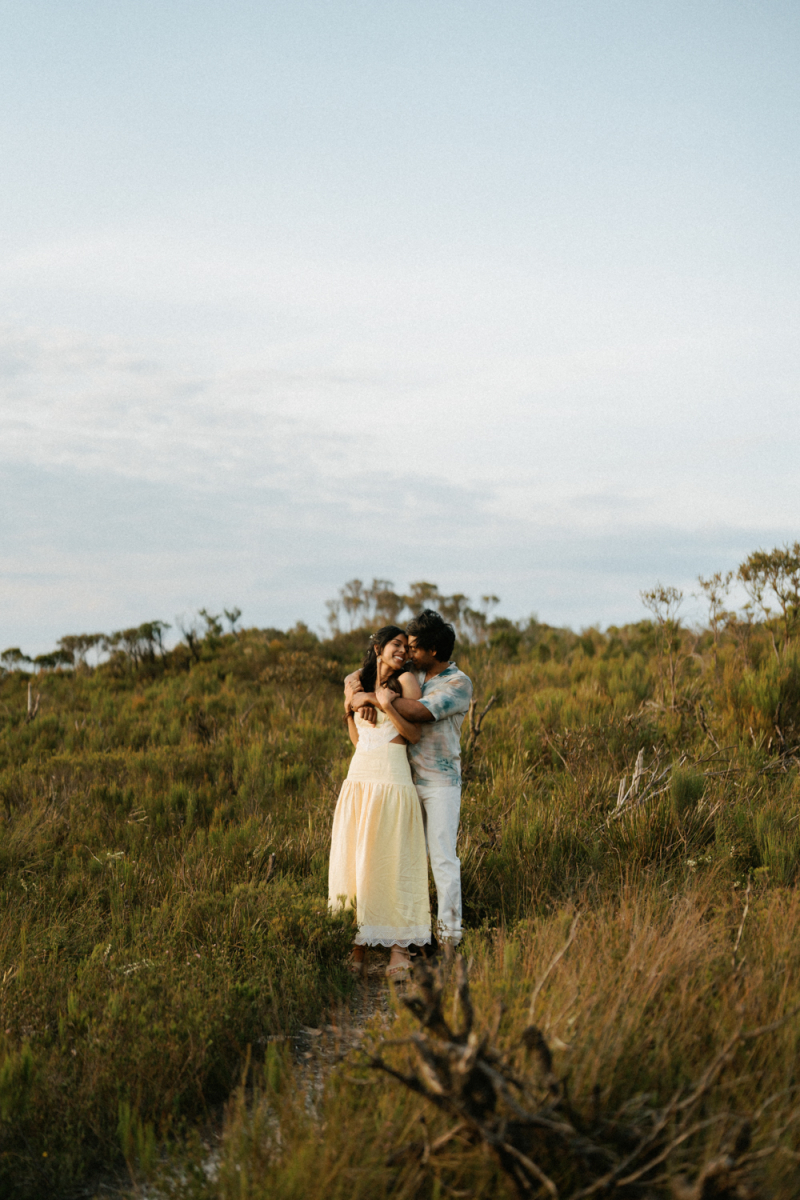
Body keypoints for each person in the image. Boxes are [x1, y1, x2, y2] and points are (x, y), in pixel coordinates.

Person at [346, 609, 473, 949]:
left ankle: (449, 938)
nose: (408, 652)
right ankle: (409, 934)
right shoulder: (413, 672)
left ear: (432, 651)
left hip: (440, 785)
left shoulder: (458, 684)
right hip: (402, 780)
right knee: (403, 859)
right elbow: (360, 674)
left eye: (414, 646)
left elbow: (418, 712)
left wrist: (379, 700)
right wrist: (355, 692)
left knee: (442, 858)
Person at [328, 625, 431, 979]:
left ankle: (398, 950)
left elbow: (415, 733)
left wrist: (381, 702)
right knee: (357, 859)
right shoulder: (359, 681)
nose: (402, 651)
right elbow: (356, 737)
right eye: (395, 645)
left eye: (406, 646)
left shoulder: (407, 683)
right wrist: (357, 704)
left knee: (395, 858)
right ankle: (356, 946)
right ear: (377, 648)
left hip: (391, 777)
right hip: (359, 776)